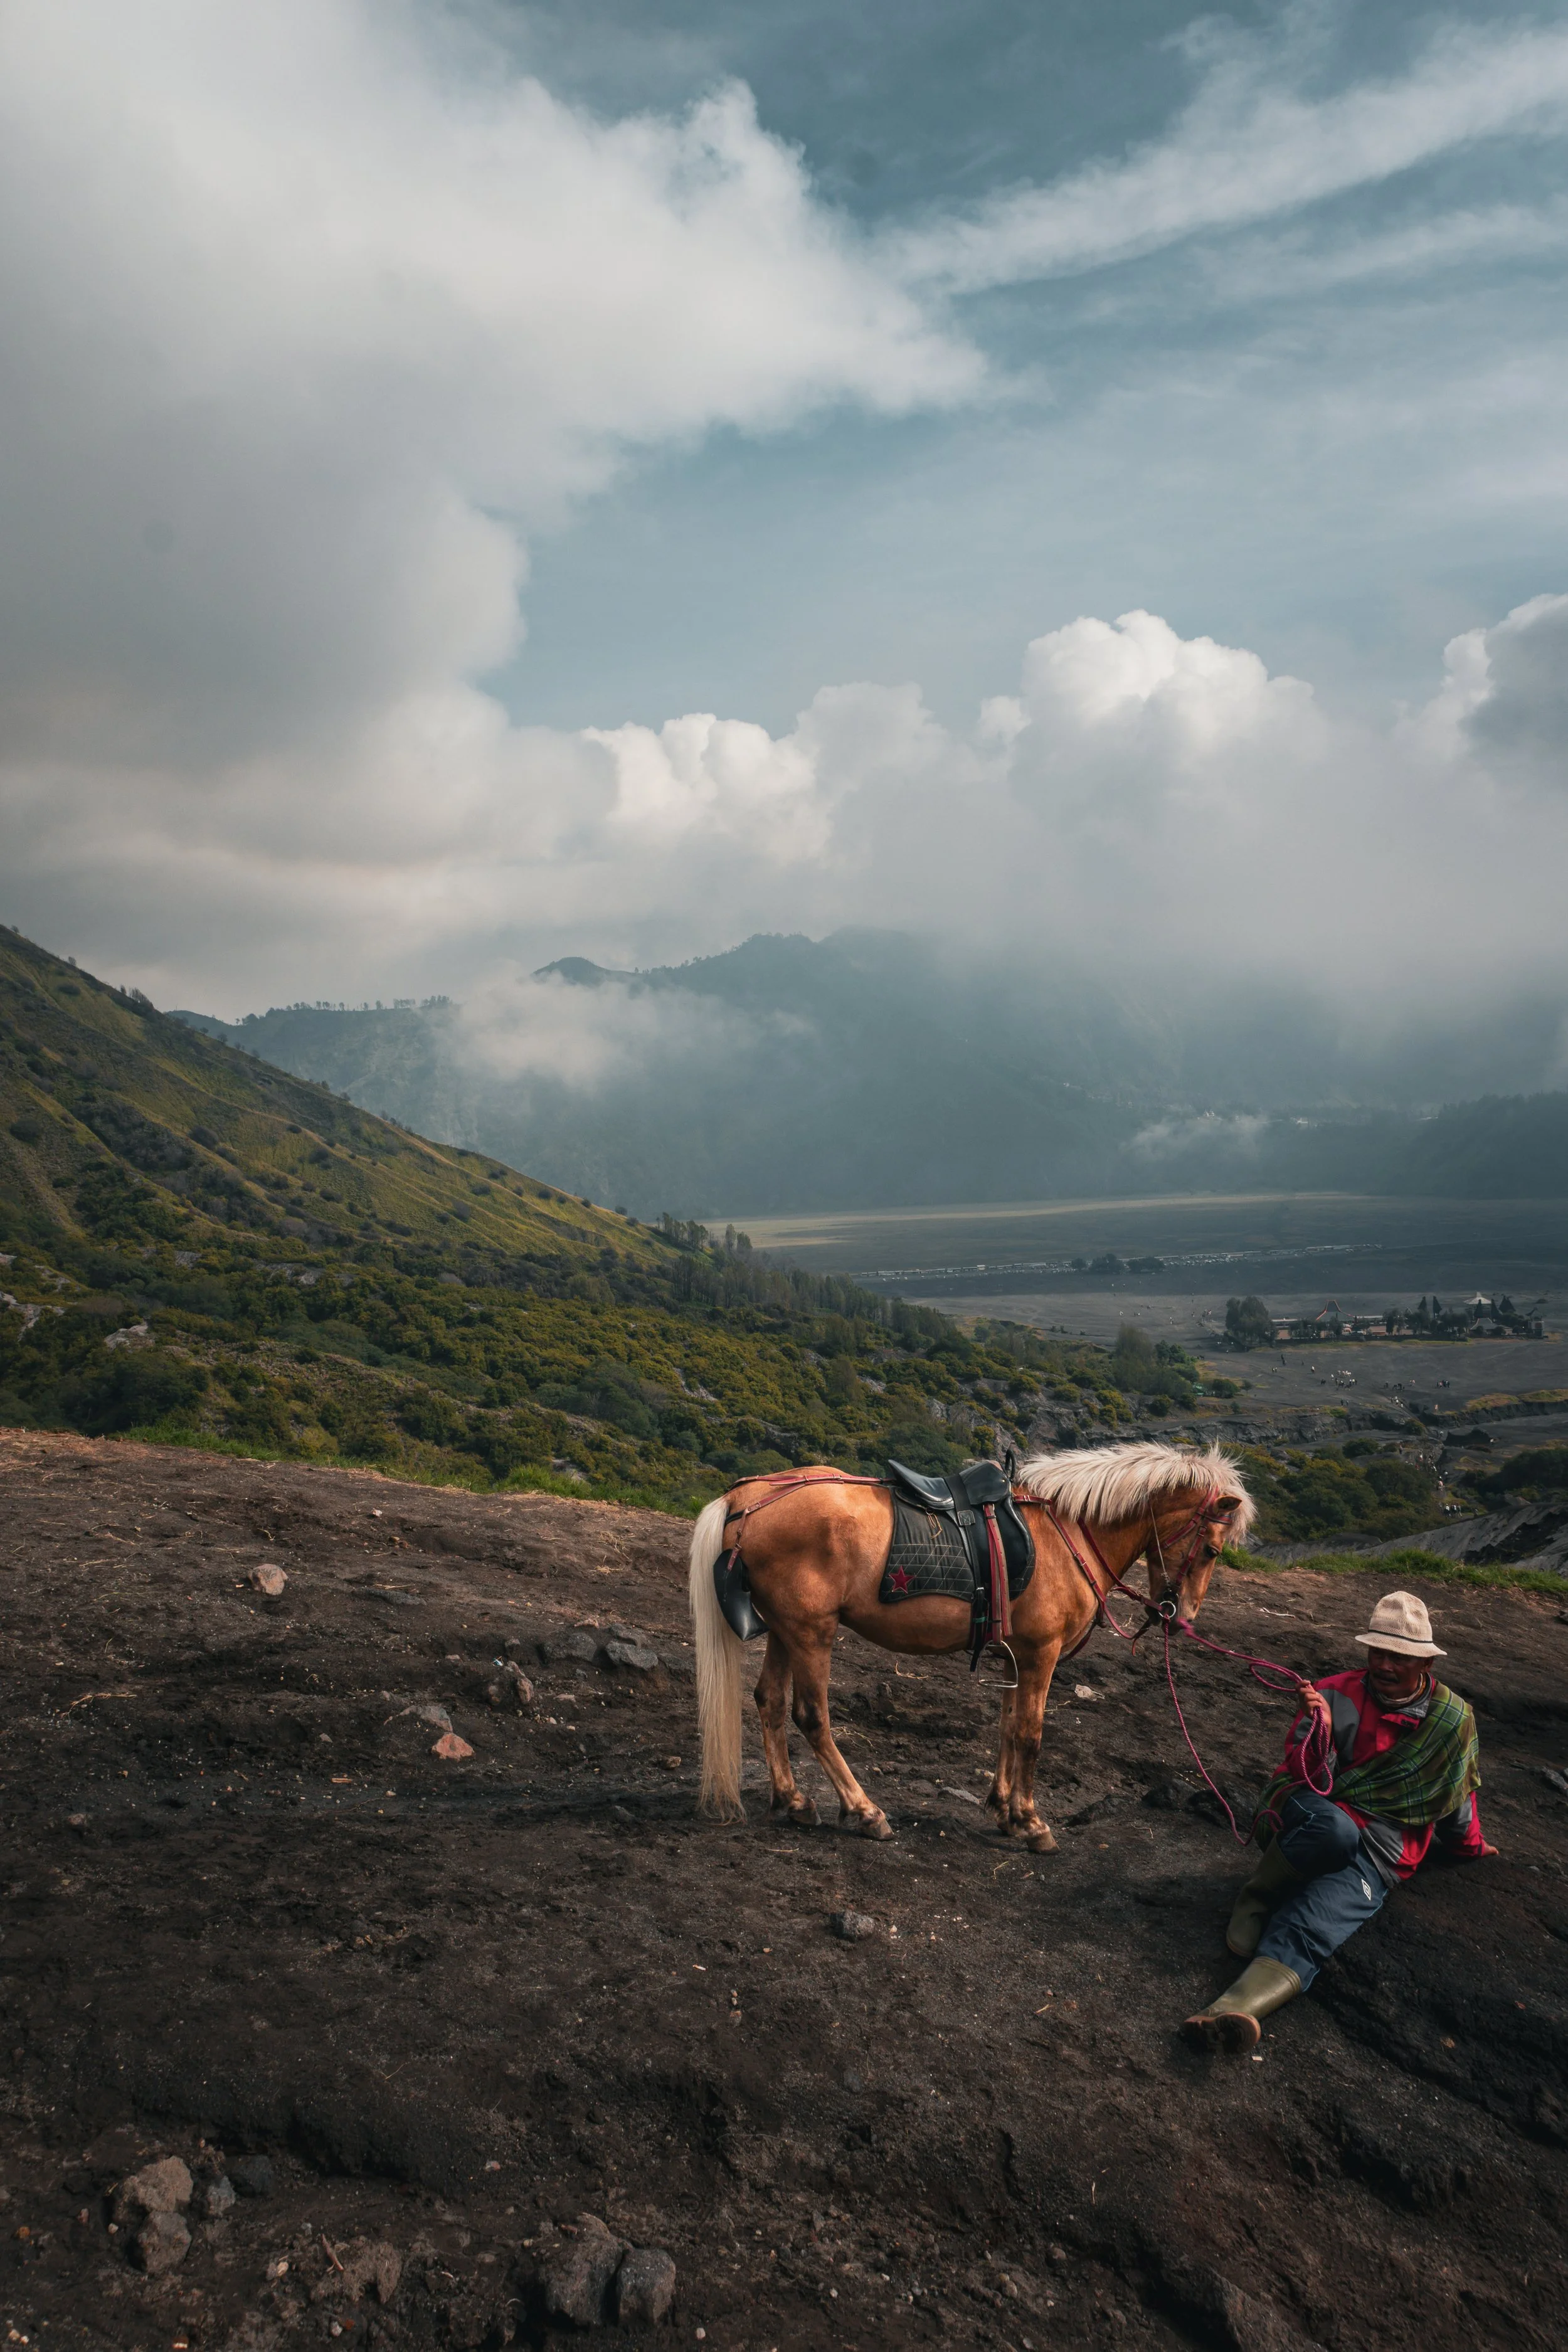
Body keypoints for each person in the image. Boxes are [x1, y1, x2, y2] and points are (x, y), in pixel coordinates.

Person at [1182, 1591, 1493, 2055]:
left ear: (1425, 1663)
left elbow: (1453, 1794)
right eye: (1378, 1652)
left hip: (1382, 1852)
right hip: (1312, 1815)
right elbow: (1303, 1775)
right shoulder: (1331, 1692)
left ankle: (1232, 2012)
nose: (1385, 1665)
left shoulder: (1453, 1721)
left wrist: (1472, 1847)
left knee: (1316, 1923)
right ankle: (1258, 1896)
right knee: (1335, 1831)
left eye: (1399, 1657)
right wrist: (1321, 1727)